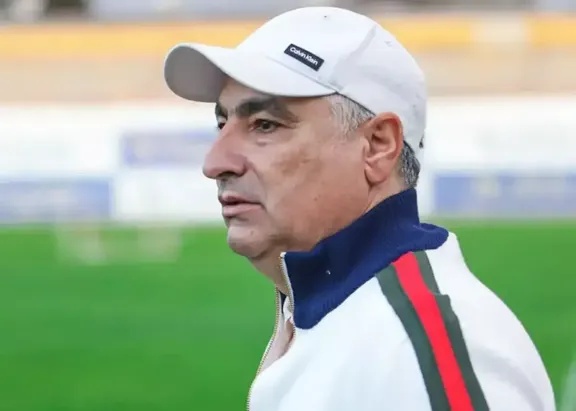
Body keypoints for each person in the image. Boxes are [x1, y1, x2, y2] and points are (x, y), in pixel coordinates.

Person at [163, 7, 555, 411]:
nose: (215, 162)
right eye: (222, 124)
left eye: (265, 125)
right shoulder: (325, 307)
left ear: (378, 146)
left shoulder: (420, 351)